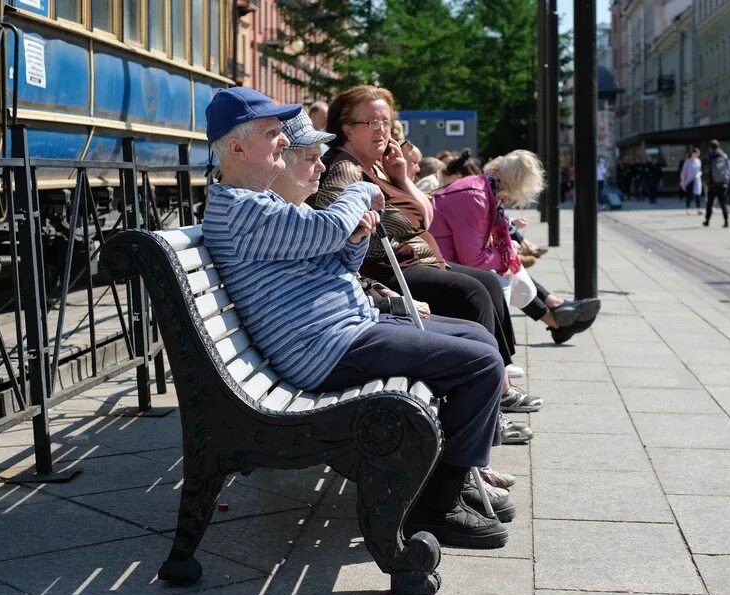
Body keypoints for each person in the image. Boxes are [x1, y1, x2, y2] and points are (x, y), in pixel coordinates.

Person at [201, 88, 512, 548]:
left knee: (475, 338)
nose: (282, 143)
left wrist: (353, 242)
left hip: (340, 332)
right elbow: (327, 226)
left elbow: (333, 261)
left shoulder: (258, 205)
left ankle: (455, 475)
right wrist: (363, 188)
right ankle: (440, 503)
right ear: (236, 147)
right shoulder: (241, 210)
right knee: (480, 364)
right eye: (272, 134)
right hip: (324, 349)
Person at [310, 85, 541, 413]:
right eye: (372, 123)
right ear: (346, 128)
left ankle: (497, 384)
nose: (382, 130)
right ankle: (493, 393)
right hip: (389, 273)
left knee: (488, 283)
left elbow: (425, 217)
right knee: (472, 293)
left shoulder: (377, 167)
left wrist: (402, 179)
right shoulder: (345, 167)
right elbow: (336, 220)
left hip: (417, 261)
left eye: (387, 122)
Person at [429, 149, 602, 344]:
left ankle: (554, 316)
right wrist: (505, 250)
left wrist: (505, 250)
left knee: (506, 268)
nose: (511, 201)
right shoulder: (476, 197)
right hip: (438, 267)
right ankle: (509, 348)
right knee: (500, 279)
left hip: (442, 259)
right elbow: (474, 259)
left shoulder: (482, 189)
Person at [702, 139, 730, 228]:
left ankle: (707, 220)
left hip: (713, 184)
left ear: (710, 147)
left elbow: (706, 171)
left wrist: (706, 182)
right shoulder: (724, 156)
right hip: (723, 183)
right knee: (723, 203)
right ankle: (726, 221)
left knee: (710, 203)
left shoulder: (710, 156)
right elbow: (727, 169)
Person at [679, 147, 703, 215]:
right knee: (689, 195)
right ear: (693, 153)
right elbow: (684, 171)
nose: (698, 154)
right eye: (697, 153)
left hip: (697, 179)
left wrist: (699, 174)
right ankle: (688, 209)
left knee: (698, 194)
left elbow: (700, 170)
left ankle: (698, 209)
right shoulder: (688, 161)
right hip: (689, 180)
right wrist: (682, 180)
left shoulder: (698, 161)